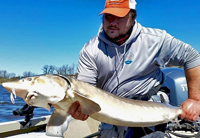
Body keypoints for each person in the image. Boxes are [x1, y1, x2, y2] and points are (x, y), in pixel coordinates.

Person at [68, 0, 200, 137]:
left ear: (133, 18)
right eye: (108, 16)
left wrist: (195, 100)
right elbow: (85, 90)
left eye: (119, 17)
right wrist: (81, 108)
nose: (112, 23)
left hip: (149, 110)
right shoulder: (90, 50)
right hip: (111, 114)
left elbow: (192, 57)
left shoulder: (155, 40)